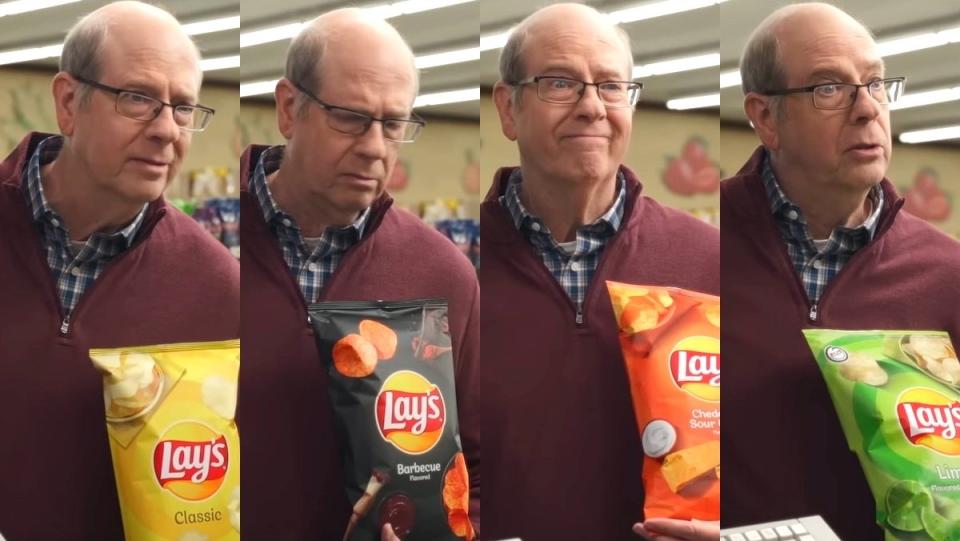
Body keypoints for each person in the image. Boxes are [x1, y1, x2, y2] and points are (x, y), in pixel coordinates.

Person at [237, 9, 480, 540]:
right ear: (288, 108)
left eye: (394, 124)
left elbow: (477, 466)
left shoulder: (444, 274)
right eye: (350, 117)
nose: (374, 147)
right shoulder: (201, 248)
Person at [0, 2, 239, 539]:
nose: (166, 130)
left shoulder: (219, 289)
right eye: (138, 99)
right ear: (68, 102)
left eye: (183, 108)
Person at [481, 4, 719, 540]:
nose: (592, 107)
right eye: (561, 83)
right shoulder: (452, 266)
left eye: (612, 86)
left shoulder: (712, 261)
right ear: (508, 108)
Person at [722, 3, 960, 538]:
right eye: (830, 88)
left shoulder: (947, 274)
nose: (866, 109)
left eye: (875, 84)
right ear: (764, 117)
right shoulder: (696, 250)